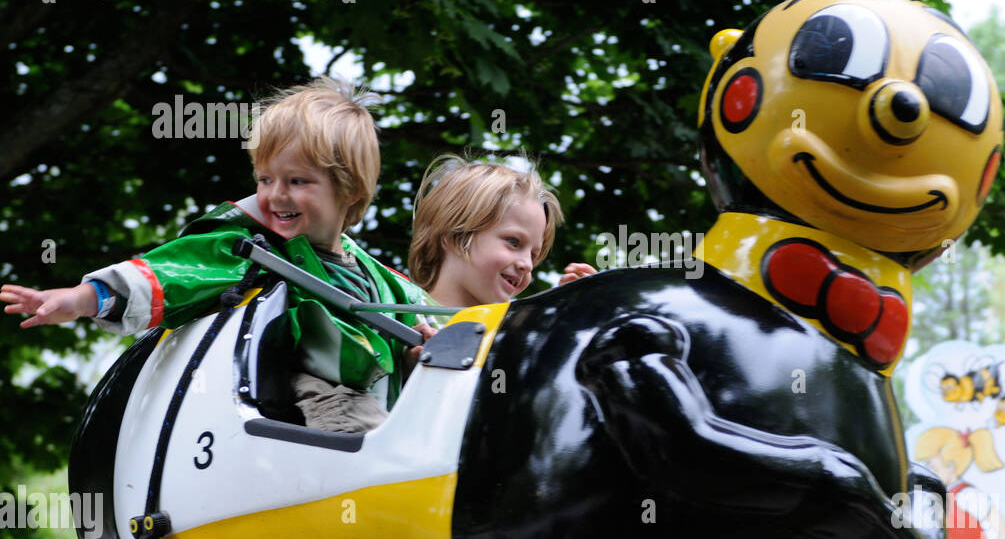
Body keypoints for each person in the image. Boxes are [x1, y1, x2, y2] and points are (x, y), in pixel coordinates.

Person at [1, 77, 429, 433]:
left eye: (297, 181)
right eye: (265, 178)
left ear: (349, 190)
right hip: (314, 413)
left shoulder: (384, 282)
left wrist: (422, 351)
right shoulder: (248, 246)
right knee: (361, 428)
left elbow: (422, 330)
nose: (276, 194)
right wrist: (79, 299)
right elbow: (173, 272)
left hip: (387, 415)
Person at [408, 154, 595, 309]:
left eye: (533, 255)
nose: (528, 265)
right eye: (514, 242)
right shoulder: (393, 316)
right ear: (455, 235)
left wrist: (567, 317)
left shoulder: (517, 337)